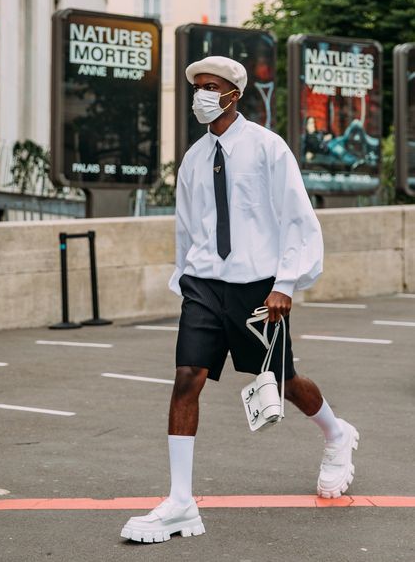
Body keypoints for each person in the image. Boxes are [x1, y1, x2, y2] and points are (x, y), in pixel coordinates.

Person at [121, 56, 359, 544]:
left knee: (282, 381)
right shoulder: (192, 158)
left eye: (211, 87)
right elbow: (187, 226)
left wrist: (285, 284)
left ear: (233, 94)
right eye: (197, 88)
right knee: (187, 378)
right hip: (204, 285)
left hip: (257, 288)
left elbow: (297, 218)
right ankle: (181, 503)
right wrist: (186, 279)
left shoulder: (268, 149)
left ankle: (337, 435)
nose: (201, 96)